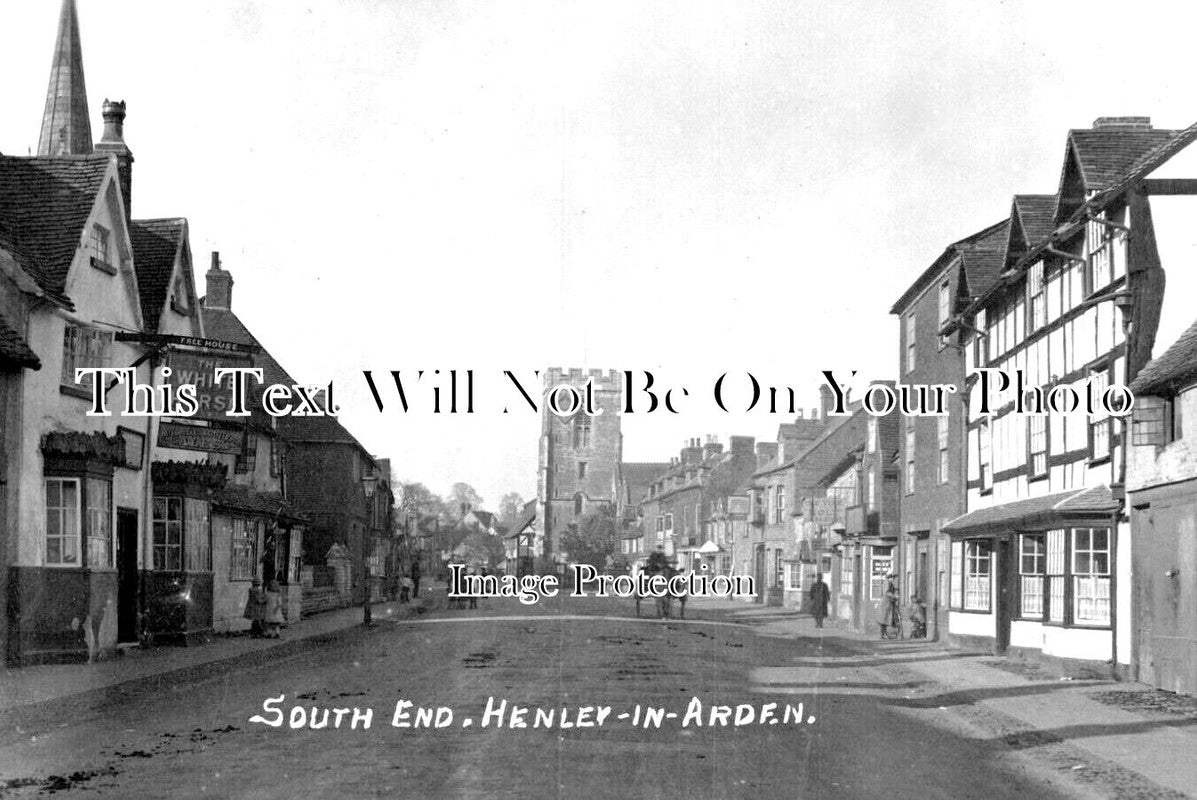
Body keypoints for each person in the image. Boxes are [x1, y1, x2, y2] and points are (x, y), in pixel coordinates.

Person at [877, 575, 900, 639]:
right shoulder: (887, 583)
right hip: (885, 604)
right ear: (889, 578)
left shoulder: (890, 584)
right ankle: (883, 634)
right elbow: (886, 592)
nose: (893, 579)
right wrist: (894, 596)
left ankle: (884, 634)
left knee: (885, 619)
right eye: (892, 578)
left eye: (893, 578)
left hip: (888, 604)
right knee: (884, 619)